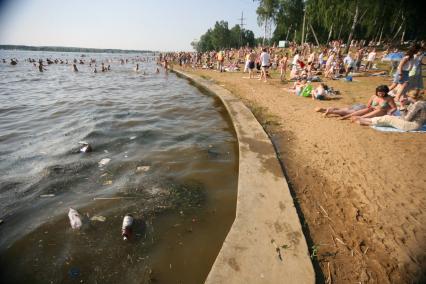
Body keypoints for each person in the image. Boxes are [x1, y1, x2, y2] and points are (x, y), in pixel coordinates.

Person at [356, 89, 426, 131]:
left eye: (408, 96)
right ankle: (367, 121)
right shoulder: (418, 103)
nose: (407, 98)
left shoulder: (418, 105)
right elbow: (407, 115)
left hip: (413, 126)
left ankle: (364, 120)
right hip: (414, 123)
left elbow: (406, 119)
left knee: (388, 119)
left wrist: (402, 105)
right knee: (390, 118)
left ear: (413, 97)